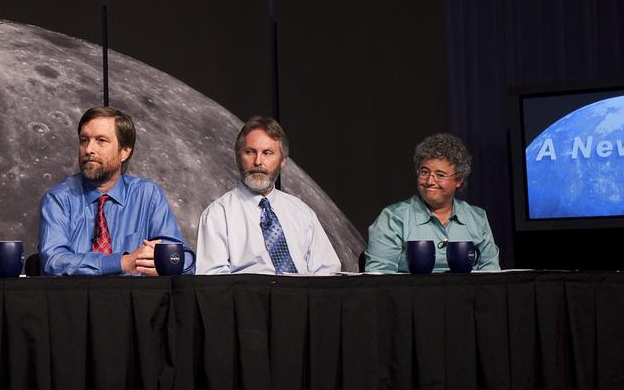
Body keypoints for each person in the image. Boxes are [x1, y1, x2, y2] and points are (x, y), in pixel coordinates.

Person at [38, 106, 192, 276]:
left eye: (101, 140)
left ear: (124, 152)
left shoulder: (148, 195)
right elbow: (53, 262)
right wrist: (121, 262)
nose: (89, 149)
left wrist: (166, 263)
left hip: (137, 301)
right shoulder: (59, 199)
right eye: (84, 140)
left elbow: (185, 261)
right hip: (76, 301)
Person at [196, 116, 341, 274]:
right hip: (249, 297)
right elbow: (213, 285)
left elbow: (327, 272)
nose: (258, 161)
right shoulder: (218, 215)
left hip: (303, 297)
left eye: (267, 153)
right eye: (250, 152)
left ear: (283, 161)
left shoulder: (303, 213)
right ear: (238, 157)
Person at [365, 132, 500, 273]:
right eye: (424, 172)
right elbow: (379, 279)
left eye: (440, 175)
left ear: (459, 180)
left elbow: (492, 276)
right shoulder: (393, 218)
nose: (430, 181)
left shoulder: (477, 218)